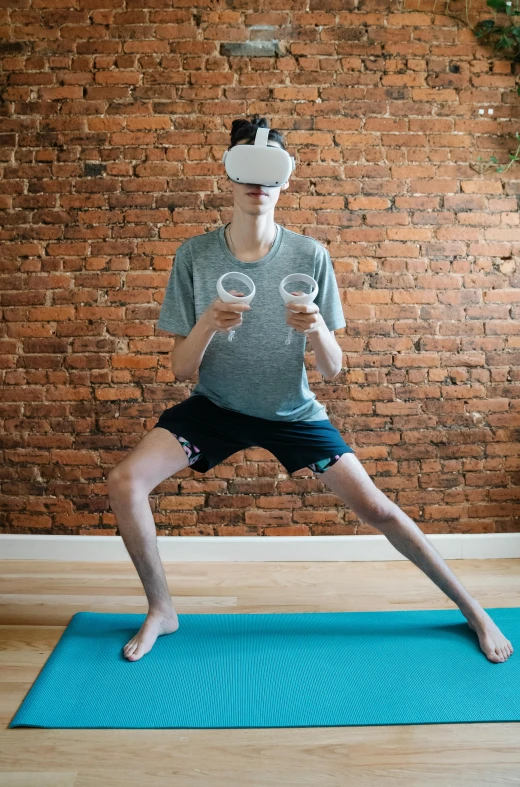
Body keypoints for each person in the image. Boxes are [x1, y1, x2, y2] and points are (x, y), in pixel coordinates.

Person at [107, 115, 513, 664]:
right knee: (126, 481)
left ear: (285, 179)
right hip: (216, 407)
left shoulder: (309, 256)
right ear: (228, 176)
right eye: (246, 170)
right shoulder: (195, 256)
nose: (258, 183)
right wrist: (207, 324)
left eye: (270, 171)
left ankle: (473, 609)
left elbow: (332, 370)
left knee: (381, 511)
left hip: (291, 411)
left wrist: (317, 328)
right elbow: (180, 370)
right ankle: (162, 610)